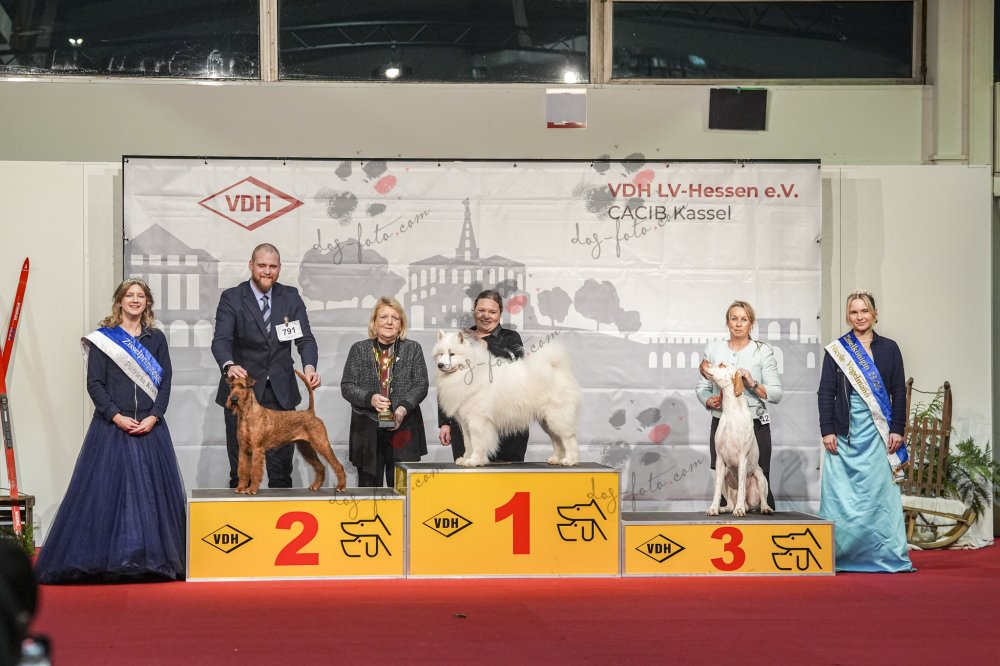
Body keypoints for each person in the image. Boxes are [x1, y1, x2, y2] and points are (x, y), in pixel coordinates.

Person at [34, 278, 185, 583]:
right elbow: (95, 384)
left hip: (149, 427)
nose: (135, 300)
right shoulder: (104, 339)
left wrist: (155, 416)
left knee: (149, 497)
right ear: (119, 301)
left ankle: (149, 560)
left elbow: (166, 382)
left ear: (147, 303)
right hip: (112, 428)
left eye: (140, 296)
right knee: (107, 496)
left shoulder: (156, 338)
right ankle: (106, 560)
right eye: (129, 295)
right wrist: (116, 416)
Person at [817, 290, 913, 572]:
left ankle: (884, 555)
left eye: (864, 311)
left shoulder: (890, 348)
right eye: (854, 312)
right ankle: (838, 556)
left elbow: (898, 392)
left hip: (879, 433)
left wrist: (897, 429)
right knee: (840, 497)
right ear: (848, 317)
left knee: (879, 496)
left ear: (874, 314)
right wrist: (827, 429)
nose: (860, 316)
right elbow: (826, 393)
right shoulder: (837, 350)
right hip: (844, 432)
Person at [212, 243, 319, 489]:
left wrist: (310, 366)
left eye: (273, 266)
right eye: (262, 265)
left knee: (281, 475)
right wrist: (229, 365)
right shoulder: (232, 298)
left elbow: (305, 339)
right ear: (251, 265)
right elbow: (221, 340)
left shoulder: (290, 297)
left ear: (279, 268)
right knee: (242, 473)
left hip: (281, 396)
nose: (267, 271)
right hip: (244, 395)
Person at [697, 300, 782, 510]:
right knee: (726, 486)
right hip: (722, 423)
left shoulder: (763, 351)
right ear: (727, 322)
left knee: (761, 485)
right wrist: (708, 400)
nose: (738, 324)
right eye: (733, 319)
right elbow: (703, 387)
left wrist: (752, 383)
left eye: (743, 319)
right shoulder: (713, 349)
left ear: (751, 323)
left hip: (755, 425)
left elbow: (776, 394)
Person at [341, 297, 428, 487]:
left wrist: (402, 409)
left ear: (401, 324)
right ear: (374, 322)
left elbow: (421, 384)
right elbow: (347, 386)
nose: (389, 322)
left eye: (395, 318)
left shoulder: (413, 348)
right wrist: (370, 398)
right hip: (367, 429)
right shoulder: (359, 349)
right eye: (383, 317)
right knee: (368, 491)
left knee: (403, 489)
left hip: (404, 427)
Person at [438, 290, 530, 463]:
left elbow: (515, 362)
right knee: (470, 473)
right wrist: (444, 422)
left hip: (506, 426)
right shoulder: (459, 338)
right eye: (481, 310)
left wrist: (483, 344)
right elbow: (446, 382)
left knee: (506, 476)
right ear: (474, 310)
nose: (486, 316)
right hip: (465, 426)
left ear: (500, 314)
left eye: (492, 312)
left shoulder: (511, 337)